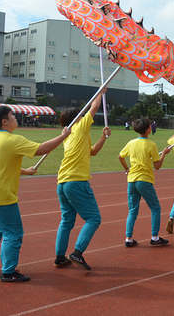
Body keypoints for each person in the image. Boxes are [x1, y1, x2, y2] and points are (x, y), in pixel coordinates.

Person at [0, 105, 71, 283]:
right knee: (13, 232)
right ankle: (8, 272)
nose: (15, 117)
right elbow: (41, 149)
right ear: (4, 121)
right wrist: (63, 136)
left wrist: (26, 171)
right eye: (12, 115)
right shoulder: (13, 140)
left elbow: (2, 165)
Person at [54, 92, 111, 271]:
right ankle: (77, 253)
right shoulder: (79, 128)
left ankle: (59, 257)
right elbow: (93, 108)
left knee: (66, 221)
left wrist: (103, 137)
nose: (83, 116)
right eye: (80, 114)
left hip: (62, 183)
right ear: (75, 119)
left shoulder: (68, 137)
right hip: (76, 182)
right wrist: (101, 93)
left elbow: (92, 152)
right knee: (93, 218)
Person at [118, 118, 171, 247]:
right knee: (155, 208)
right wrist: (164, 154)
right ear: (148, 129)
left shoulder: (131, 143)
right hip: (144, 180)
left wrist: (126, 168)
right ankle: (155, 237)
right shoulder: (151, 145)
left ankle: (128, 238)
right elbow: (157, 166)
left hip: (132, 180)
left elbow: (120, 156)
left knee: (133, 211)